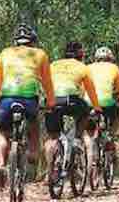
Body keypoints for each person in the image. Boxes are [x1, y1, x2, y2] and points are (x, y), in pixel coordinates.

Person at [0, 23, 56, 188]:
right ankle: (33, 152)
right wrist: (51, 102)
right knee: (33, 124)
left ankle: (2, 164)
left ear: (16, 41)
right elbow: (47, 82)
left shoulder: (5, 53)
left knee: (3, 132)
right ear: (32, 40)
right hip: (29, 99)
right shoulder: (40, 54)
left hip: (7, 98)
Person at [44, 41, 102, 182]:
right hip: (72, 101)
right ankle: (76, 139)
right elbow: (90, 90)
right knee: (85, 113)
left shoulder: (53, 65)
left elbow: (45, 83)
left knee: (52, 137)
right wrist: (97, 107)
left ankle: (50, 171)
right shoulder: (82, 67)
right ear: (80, 55)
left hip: (53, 101)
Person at [86, 46, 119, 140]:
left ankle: (87, 147)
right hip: (106, 102)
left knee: (88, 129)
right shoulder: (114, 68)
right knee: (116, 119)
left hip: (88, 103)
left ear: (96, 58)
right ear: (110, 58)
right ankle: (110, 137)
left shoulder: (88, 67)